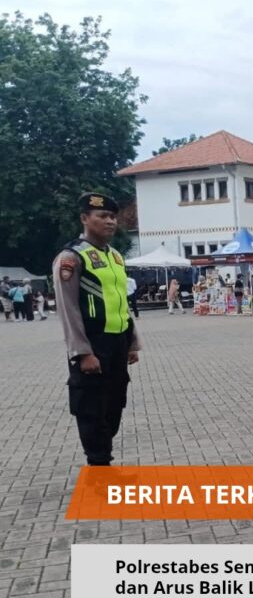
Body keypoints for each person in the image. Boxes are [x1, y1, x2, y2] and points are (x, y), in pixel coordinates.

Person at [52, 192, 141, 466]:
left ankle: (103, 462)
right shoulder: (71, 257)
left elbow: (121, 302)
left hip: (117, 343)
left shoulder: (115, 256)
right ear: (84, 218)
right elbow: (68, 309)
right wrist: (82, 352)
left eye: (113, 216)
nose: (110, 221)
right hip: (92, 344)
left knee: (114, 405)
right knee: (91, 408)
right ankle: (99, 468)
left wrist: (132, 342)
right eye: (102, 216)